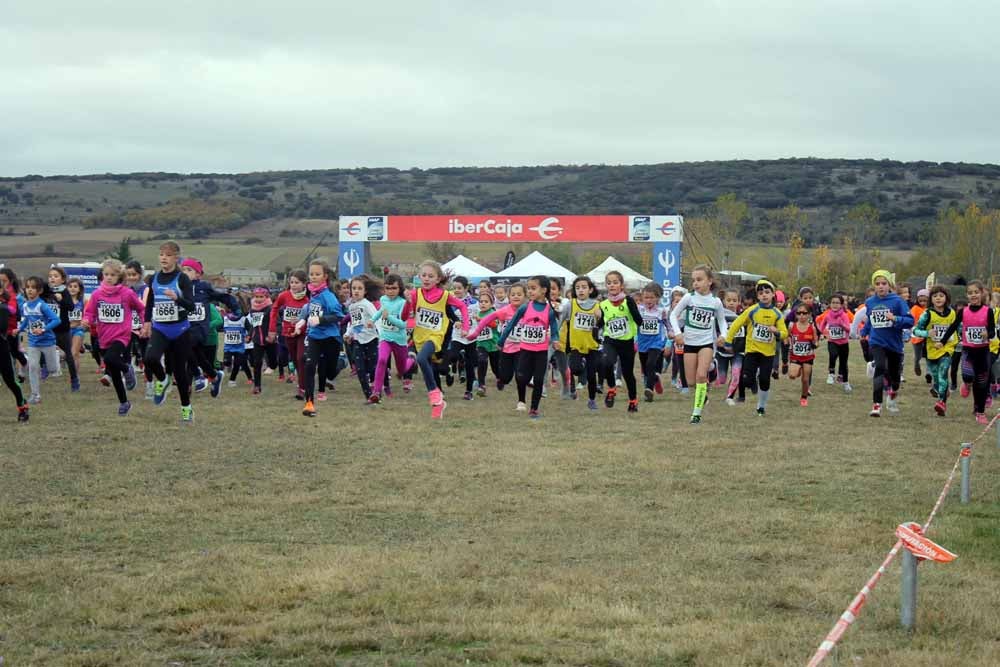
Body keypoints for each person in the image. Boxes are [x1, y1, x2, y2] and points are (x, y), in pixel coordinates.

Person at [141, 241, 199, 422]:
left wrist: (177, 298)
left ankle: (186, 408)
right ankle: (162, 380)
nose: (163, 258)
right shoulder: (155, 278)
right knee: (149, 358)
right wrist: (147, 322)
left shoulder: (182, 279)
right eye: (161, 254)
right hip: (161, 328)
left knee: (181, 373)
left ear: (176, 258)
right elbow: (150, 302)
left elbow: (191, 306)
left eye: (167, 255)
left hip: (180, 329)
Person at [81, 259, 145, 416]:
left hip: (122, 336)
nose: (109, 277)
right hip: (104, 336)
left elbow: (141, 309)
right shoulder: (97, 294)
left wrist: (144, 325)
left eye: (113, 275)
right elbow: (90, 312)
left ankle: (127, 368)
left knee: (109, 360)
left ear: (119, 276)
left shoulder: (127, 293)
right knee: (114, 374)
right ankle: (124, 402)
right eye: (106, 274)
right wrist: (86, 321)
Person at [408, 261, 469, 419]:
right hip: (419, 337)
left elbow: (462, 307)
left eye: (431, 276)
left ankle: (435, 394)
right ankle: (438, 404)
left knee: (421, 359)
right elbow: (408, 315)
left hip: (436, 337)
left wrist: (465, 327)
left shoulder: (445, 295)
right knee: (428, 365)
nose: (426, 279)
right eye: (424, 275)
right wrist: (407, 304)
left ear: (438, 279)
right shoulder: (416, 294)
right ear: (419, 277)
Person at [495, 275, 562, 418]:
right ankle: (521, 401)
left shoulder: (549, 311)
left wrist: (555, 340)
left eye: (533, 288)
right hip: (525, 349)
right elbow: (511, 324)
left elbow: (554, 330)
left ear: (544, 290)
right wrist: (501, 341)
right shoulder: (525, 307)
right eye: (529, 289)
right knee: (521, 377)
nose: (530, 292)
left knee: (538, 379)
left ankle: (534, 408)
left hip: (541, 351)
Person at [668, 265, 728, 423]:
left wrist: (724, 335)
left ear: (709, 281)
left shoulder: (715, 302)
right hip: (689, 343)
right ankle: (711, 374)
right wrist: (678, 333)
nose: (695, 283)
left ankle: (696, 414)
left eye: (699, 280)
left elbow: (722, 321)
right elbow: (673, 316)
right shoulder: (689, 298)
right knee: (692, 381)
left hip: (706, 343)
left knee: (701, 375)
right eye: (693, 280)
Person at [725, 280, 788, 417]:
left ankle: (761, 406)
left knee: (765, 381)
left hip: (768, 353)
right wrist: (728, 341)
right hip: (752, 351)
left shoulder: (777, 314)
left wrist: (776, 332)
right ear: (757, 296)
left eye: (767, 292)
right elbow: (736, 324)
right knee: (747, 380)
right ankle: (752, 379)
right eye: (761, 293)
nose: (764, 295)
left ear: (773, 295)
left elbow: (784, 333)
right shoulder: (752, 310)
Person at [937, 280, 995, 424]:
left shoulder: (988, 311)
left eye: (976, 292)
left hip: (983, 351)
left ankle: (980, 411)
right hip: (968, 351)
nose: (973, 295)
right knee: (968, 375)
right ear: (967, 295)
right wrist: (942, 341)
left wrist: (987, 334)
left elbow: (993, 331)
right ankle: (967, 383)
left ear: (982, 293)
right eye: (970, 293)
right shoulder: (963, 311)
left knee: (981, 383)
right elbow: (953, 327)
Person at [860, 270, 914, 417]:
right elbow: (871, 319)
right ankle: (876, 405)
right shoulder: (870, 302)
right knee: (880, 368)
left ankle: (893, 392)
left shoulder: (898, 301)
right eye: (877, 284)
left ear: (889, 285)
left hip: (895, 345)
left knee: (895, 378)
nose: (880, 287)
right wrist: (864, 331)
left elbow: (910, 321)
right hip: (877, 342)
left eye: (884, 283)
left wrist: (895, 318)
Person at [297, 261, 345, 417]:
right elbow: (311, 309)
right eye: (311, 274)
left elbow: (338, 316)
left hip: (331, 339)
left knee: (329, 372)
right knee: (309, 365)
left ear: (325, 276)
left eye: (317, 274)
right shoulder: (313, 293)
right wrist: (303, 321)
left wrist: (321, 319)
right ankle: (309, 403)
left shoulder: (328, 296)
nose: (313, 277)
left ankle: (342, 362)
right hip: (315, 336)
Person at [594, 271, 642, 413]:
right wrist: (596, 325)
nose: (612, 285)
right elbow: (603, 322)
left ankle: (633, 400)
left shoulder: (628, 301)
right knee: (606, 362)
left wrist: (633, 312)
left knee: (627, 374)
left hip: (627, 342)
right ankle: (611, 388)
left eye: (615, 282)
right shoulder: (603, 304)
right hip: (611, 340)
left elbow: (639, 320)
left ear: (621, 285)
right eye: (609, 283)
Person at [468, 283, 525, 398]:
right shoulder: (504, 310)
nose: (516, 296)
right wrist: (475, 333)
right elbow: (486, 320)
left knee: (519, 373)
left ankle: (521, 399)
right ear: (509, 297)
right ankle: (494, 381)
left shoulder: (528, 310)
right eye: (513, 294)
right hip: (505, 348)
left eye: (519, 294)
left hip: (520, 347)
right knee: (504, 376)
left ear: (525, 296)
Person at [911, 285, 958, 416]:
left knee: (943, 374)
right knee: (936, 379)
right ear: (931, 299)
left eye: (941, 296)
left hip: (947, 348)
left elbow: (957, 328)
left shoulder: (952, 313)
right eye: (935, 296)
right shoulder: (927, 314)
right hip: (931, 350)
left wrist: (958, 340)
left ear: (946, 298)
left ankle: (941, 403)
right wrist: (927, 333)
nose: (938, 298)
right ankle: (940, 391)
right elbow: (915, 330)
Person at [369, 273, 415, 404]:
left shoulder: (402, 303)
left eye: (393, 288)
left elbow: (403, 324)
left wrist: (388, 317)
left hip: (399, 340)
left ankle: (412, 360)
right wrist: (372, 320)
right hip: (385, 337)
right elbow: (381, 311)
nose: (390, 291)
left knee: (402, 370)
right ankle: (376, 393)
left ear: (399, 288)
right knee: (382, 360)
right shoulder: (383, 299)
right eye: (387, 288)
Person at [18, 276, 62, 405]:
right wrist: (19, 329)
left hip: (47, 341)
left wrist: (43, 329)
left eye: (33, 288)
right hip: (33, 342)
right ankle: (35, 395)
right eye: (27, 287)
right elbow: (26, 319)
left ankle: (59, 355)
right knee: (32, 367)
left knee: (53, 370)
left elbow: (56, 320)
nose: (29, 290)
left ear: (39, 291)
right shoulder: (25, 305)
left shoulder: (42, 305)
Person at [559, 276, 601, 409]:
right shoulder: (571, 304)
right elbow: (561, 319)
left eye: (584, 287)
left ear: (590, 290)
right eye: (577, 288)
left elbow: (602, 325)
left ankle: (592, 400)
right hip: (576, 344)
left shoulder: (597, 305)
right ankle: (581, 363)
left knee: (591, 375)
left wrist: (600, 319)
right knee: (575, 369)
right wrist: (553, 333)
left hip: (592, 345)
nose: (580, 290)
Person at [268, 270, 310, 400]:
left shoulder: (308, 299)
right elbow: (274, 309)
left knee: (300, 358)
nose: (293, 285)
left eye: (297, 282)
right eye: (291, 282)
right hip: (288, 333)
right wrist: (272, 329)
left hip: (302, 333)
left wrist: (301, 322)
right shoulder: (284, 296)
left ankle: (302, 389)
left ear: (304, 284)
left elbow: (311, 315)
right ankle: (303, 381)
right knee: (295, 361)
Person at [345, 275, 382, 400]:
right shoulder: (352, 307)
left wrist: (380, 332)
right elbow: (356, 324)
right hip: (358, 341)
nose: (356, 291)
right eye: (354, 288)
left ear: (365, 291)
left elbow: (377, 317)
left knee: (373, 367)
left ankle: (376, 391)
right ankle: (368, 396)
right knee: (360, 369)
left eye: (359, 288)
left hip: (371, 340)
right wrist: (348, 333)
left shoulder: (367, 305)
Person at [45, 266, 81, 391]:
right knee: (42, 347)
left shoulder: (64, 291)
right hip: (49, 328)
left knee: (68, 355)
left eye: (55, 276)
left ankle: (74, 380)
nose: (52, 278)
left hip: (62, 329)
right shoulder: (47, 290)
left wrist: (61, 300)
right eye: (50, 276)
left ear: (63, 279)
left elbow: (71, 307)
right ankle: (45, 367)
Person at [446, 276, 480, 401]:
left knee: (470, 364)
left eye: (459, 288)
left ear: (466, 288)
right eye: (454, 288)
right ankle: (451, 369)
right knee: (453, 355)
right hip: (457, 335)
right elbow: (448, 316)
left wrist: (478, 319)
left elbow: (482, 314)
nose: (457, 290)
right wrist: (454, 322)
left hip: (471, 336)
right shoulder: (451, 303)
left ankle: (468, 391)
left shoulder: (474, 303)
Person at [636, 283, 670, 402]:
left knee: (651, 364)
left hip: (656, 342)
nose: (648, 300)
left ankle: (649, 390)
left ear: (657, 298)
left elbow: (667, 324)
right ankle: (655, 379)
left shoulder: (662, 311)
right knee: (646, 369)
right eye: (646, 297)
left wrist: (670, 333)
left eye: (651, 297)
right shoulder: (639, 309)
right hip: (642, 342)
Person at [0, 284, 28, 422]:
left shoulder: (3, 308)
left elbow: (2, 328)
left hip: (2, 350)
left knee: (10, 381)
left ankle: (22, 406)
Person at [819, 293, 854, 393]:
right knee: (833, 355)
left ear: (842, 305)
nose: (835, 305)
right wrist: (822, 333)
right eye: (833, 303)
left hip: (843, 343)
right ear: (829, 304)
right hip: (832, 341)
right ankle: (831, 373)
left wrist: (841, 324)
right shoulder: (828, 315)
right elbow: (821, 326)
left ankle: (846, 383)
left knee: (843, 364)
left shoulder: (844, 315)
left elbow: (848, 329)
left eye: (837, 303)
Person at [246, 286, 276, 395]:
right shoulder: (253, 309)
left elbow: (275, 322)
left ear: (266, 296)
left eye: (261, 297)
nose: (258, 299)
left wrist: (272, 334)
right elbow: (254, 324)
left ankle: (273, 365)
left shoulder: (270, 308)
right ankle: (257, 386)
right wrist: (249, 335)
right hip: (258, 339)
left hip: (269, 339)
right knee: (256, 362)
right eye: (256, 297)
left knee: (273, 362)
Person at [787, 305, 819, 406]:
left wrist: (815, 344)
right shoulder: (792, 326)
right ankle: (798, 369)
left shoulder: (812, 328)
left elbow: (816, 341)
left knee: (805, 380)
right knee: (792, 375)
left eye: (804, 313)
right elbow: (788, 336)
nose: (801, 315)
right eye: (799, 313)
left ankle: (804, 397)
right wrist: (787, 341)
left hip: (808, 357)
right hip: (795, 356)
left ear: (809, 315)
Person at [473, 290, 500, 398]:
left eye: (486, 301)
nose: (483, 303)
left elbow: (494, 324)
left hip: (493, 344)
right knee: (481, 361)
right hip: (481, 343)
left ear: (492, 303)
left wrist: (482, 320)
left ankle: (499, 378)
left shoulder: (494, 313)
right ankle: (481, 385)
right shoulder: (477, 314)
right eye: (481, 301)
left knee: (495, 367)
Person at [65, 277, 87, 380]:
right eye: (70, 286)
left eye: (75, 286)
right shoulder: (63, 302)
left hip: (78, 330)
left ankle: (75, 376)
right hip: (66, 330)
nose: (72, 289)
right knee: (69, 354)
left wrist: (83, 323)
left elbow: (86, 316)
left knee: (74, 353)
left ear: (79, 289)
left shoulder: (83, 301)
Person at [910, 288, 930, 383]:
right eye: (920, 301)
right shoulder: (915, 309)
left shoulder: (931, 309)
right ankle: (916, 364)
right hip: (916, 336)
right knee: (918, 356)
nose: (922, 303)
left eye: (925, 301)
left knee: (929, 355)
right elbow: (911, 320)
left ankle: (928, 373)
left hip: (928, 336)